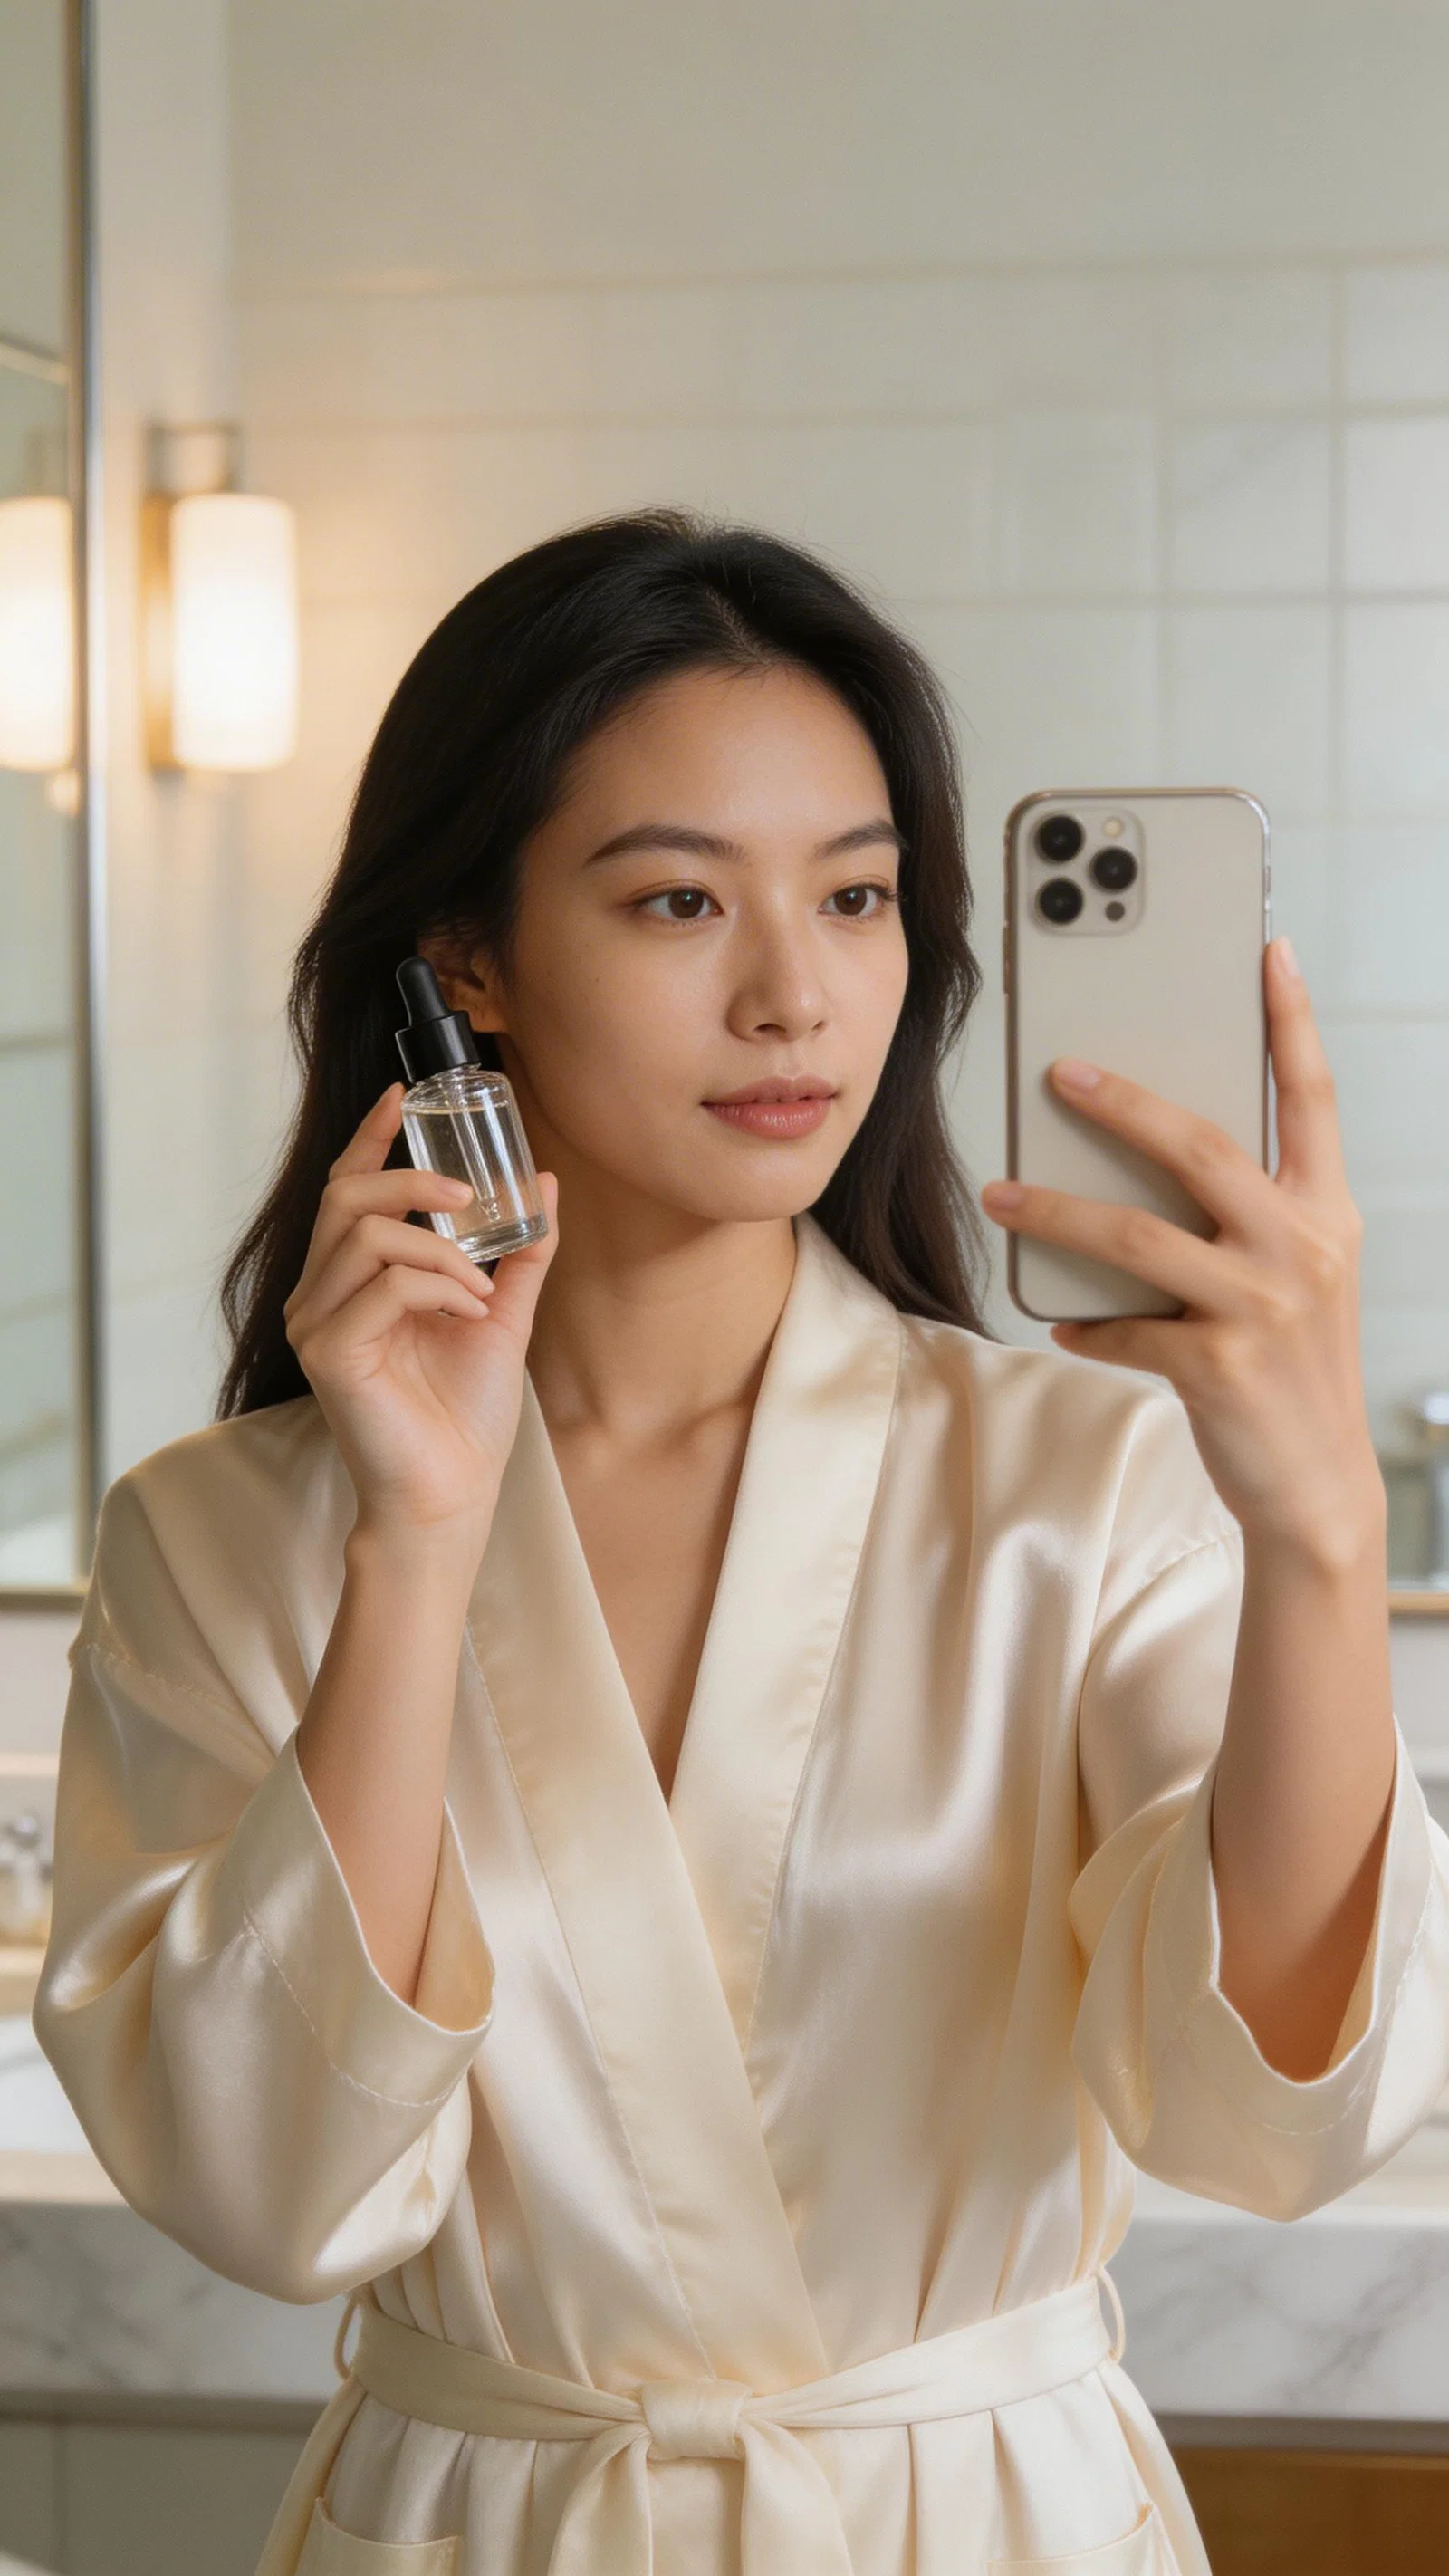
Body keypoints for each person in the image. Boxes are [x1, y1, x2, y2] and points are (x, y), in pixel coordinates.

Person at [34, 511, 1449, 2576]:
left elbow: (1276, 2114)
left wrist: (1317, 1526)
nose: (794, 994)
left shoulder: (1075, 1485)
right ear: (465, 964)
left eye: (857, 897)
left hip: (974, 2525)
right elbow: (265, 2193)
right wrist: (420, 1539)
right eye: (679, 898)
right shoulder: (222, 1542)